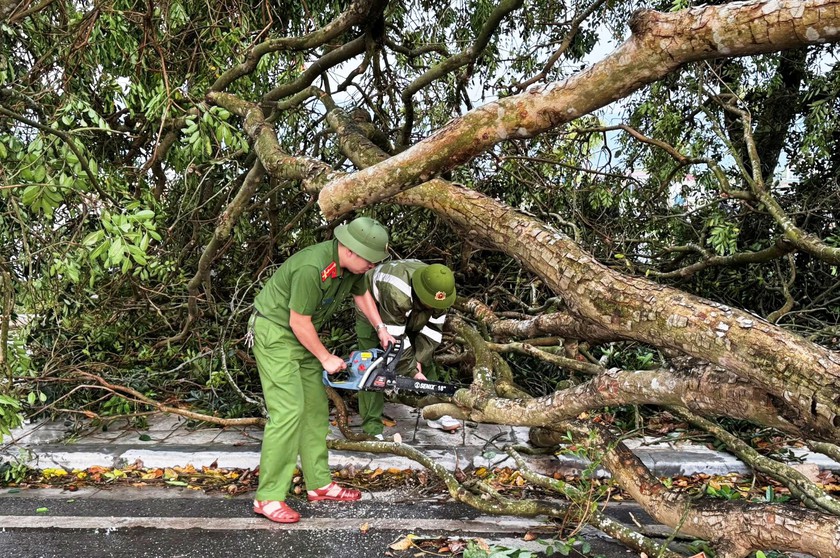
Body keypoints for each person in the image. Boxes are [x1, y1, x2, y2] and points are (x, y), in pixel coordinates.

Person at [249, 216, 395, 524]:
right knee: (288, 412)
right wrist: (326, 357)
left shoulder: (353, 268)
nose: (372, 266)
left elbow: (361, 293)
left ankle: (319, 484)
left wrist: (380, 327)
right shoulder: (312, 267)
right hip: (276, 333)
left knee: (315, 411)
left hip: (303, 335)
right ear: (350, 250)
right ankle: (268, 496)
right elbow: (298, 321)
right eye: (369, 261)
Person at [355, 260, 460, 439]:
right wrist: (412, 371)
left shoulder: (440, 294)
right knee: (374, 366)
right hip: (374, 307)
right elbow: (395, 338)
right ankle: (371, 427)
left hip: (411, 307)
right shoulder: (396, 291)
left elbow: (433, 332)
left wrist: (418, 359)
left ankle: (435, 412)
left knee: (425, 357)